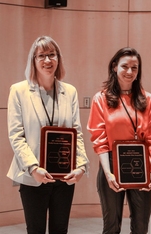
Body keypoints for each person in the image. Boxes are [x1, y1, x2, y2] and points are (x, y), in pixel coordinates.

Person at [7, 35, 89, 234]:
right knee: (35, 230)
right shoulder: (19, 91)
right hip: (33, 175)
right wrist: (33, 167)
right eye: (41, 55)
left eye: (52, 55)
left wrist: (81, 166)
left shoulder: (69, 91)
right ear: (33, 60)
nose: (47, 60)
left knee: (60, 229)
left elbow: (76, 132)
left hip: (64, 174)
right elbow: (16, 135)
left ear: (58, 58)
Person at [87, 47, 151, 234]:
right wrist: (108, 172)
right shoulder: (101, 99)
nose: (129, 72)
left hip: (140, 165)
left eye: (134, 68)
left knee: (141, 226)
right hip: (111, 164)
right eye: (125, 66)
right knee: (111, 226)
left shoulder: (148, 99)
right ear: (114, 67)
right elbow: (99, 138)